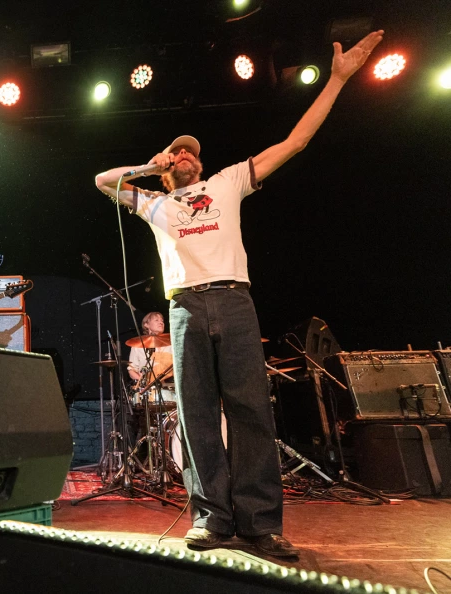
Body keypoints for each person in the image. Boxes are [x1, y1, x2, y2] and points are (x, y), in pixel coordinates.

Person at [94, 31, 384, 558]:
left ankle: (260, 523)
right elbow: (101, 180)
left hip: (233, 300)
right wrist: (150, 166)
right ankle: (211, 518)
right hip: (185, 307)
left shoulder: (227, 182)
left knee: (251, 410)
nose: (185, 154)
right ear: (168, 166)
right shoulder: (155, 204)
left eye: (191, 152)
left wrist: (338, 80)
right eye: (178, 151)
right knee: (197, 414)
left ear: (200, 165)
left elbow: (294, 143)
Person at [127, 311, 174, 402]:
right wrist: (143, 384)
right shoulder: (138, 345)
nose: (161, 322)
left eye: (162, 321)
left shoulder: (171, 344)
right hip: (146, 390)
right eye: (156, 320)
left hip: (168, 387)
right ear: (146, 325)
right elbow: (131, 370)